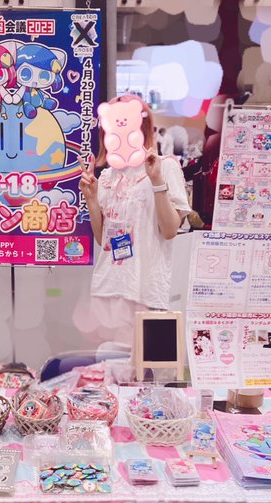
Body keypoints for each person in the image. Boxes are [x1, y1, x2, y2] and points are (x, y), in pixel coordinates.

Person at [79, 94, 191, 350]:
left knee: (143, 366)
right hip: (109, 286)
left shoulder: (164, 167)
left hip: (146, 289)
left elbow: (170, 230)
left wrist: (156, 181)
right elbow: (103, 239)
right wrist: (92, 199)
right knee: (107, 362)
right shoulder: (107, 176)